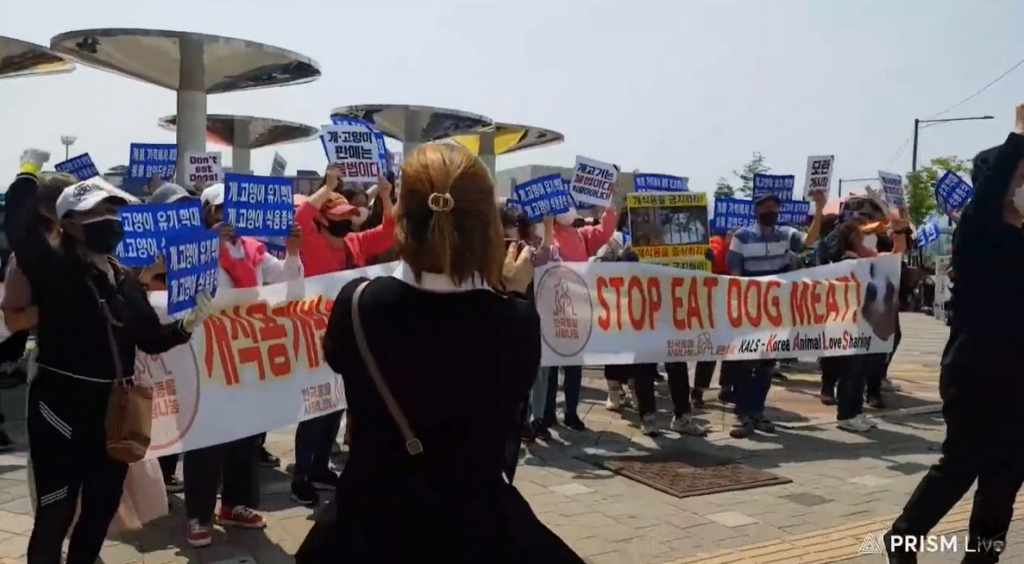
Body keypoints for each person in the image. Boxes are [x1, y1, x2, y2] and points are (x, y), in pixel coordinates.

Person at [296, 143, 584, 564]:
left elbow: (342, 359)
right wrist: (510, 292)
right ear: (488, 225)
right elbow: (505, 391)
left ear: (401, 217)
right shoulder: (516, 320)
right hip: (475, 532)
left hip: (368, 528)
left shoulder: (357, 304)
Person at [6, 150, 211, 564]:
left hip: (111, 415)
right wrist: (27, 174)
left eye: (113, 208)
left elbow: (149, 339)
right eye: (96, 211)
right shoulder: (54, 269)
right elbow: (17, 222)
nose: (109, 218)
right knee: (56, 512)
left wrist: (186, 325)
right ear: (69, 225)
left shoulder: (123, 277)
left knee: (100, 510)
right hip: (58, 410)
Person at [885, 110, 1024, 564]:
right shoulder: (978, 230)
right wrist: (1019, 136)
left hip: (1018, 374)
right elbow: (992, 190)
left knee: (1006, 474)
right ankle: (903, 538)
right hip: (975, 370)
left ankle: (982, 557)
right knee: (963, 463)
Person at [178, 183, 304, 547]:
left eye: (231, 212)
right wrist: (207, 247)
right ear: (206, 214)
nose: (227, 219)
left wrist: (293, 251)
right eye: (219, 211)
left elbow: (287, 282)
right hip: (205, 355)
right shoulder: (193, 247)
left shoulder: (254, 250)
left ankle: (235, 504)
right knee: (206, 436)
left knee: (244, 433)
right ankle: (198, 514)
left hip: (246, 352)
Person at [290, 166, 395, 506]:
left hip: (348, 339)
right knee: (315, 408)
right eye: (336, 216)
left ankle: (321, 466)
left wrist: (385, 197)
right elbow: (301, 213)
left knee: (336, 404)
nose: (345, 222)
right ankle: (301, 475)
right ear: (322, 221)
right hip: (313, 339)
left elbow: (390, 231)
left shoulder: (355, 243)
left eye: (347, 216)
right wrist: (329, 186)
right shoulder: (309, 240)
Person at [726, 191, 824, 438]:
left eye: (775, 207)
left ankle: (757, 411)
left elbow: (809, 239)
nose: (771, 211)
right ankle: (743, 413)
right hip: (750, 311)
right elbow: (735, 274)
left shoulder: (784, 234)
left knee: (767, 365)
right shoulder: (742, 237)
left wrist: (819, 208)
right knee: (744, 364)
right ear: (756, 211)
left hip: (776, 311)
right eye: (766, 207)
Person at [545, 201, 618, 431]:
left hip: (576, 310)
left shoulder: (581, 235)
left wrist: (609, 205)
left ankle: (571, 412)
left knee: (574, 365)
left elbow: (604, 232)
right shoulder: (545, 233)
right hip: (550, 310)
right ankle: (546, 413)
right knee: (550, 366)